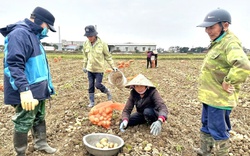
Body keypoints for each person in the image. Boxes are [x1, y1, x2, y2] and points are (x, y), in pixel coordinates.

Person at [0, 7, 57, 155]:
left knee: (39, 117)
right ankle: (20, 152)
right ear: (38, 21)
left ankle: (41, 143)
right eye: (47, 27)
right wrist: (24, 90)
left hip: (39, 88)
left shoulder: (33, 36)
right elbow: (13, 65)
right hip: (28, 90)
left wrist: (47, 86)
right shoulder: (20, 34)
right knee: (24, 120)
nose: (47, 31)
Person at [195, 8, 250, 155]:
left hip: (219, 99)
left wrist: (228, 81)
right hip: (209, 96)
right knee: (206, 125)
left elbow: (243, 65)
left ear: (225, 25)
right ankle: (204, 151)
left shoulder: (230, 43)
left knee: (218, 129)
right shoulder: (217, 42)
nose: (207, 30)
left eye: (211, 27)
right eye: (206, 27)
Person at [82, 25, 118, 108]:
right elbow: (85, 56)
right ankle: (92, 102)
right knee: (90, 86)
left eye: (91, 36)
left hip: (99, 69)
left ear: (95, 35)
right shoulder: (85, 44)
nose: (89, 38)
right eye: (88, 36)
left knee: (98, 85)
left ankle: (107, 91)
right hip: (90, 69)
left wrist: (113, 66)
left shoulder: (102, 44)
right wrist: (84, 66)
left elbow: (107, 56)